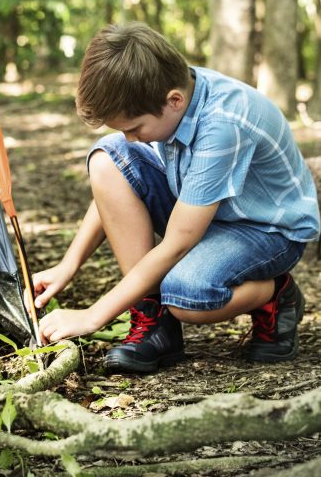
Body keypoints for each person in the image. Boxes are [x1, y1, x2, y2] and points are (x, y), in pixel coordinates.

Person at [32, 23, 320, 372]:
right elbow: (115, 190)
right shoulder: (172, 99)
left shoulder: (222, 123)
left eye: (135, 128)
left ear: (174, 101)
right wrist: (69, 264)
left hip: (266, 230)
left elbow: (178, 243)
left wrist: (93, 317)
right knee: (109, 159)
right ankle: (154, 323)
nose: (133, 138)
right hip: (205, 211)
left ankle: (277, 294)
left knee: (188, 295)